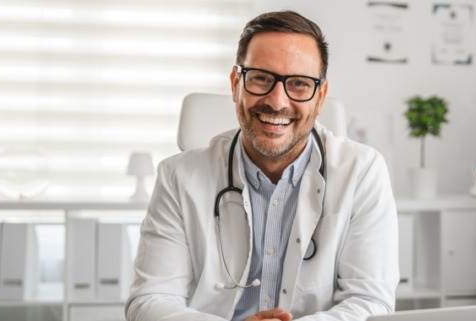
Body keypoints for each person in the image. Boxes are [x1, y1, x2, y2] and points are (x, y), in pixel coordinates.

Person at [125, 10, 399, 321]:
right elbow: (149, 302)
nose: (278, 101)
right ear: (235, 84)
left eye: (298, 84)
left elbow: (371, 301)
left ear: (320, 96)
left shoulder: (362, 173)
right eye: (261, 79)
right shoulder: (178, 177)